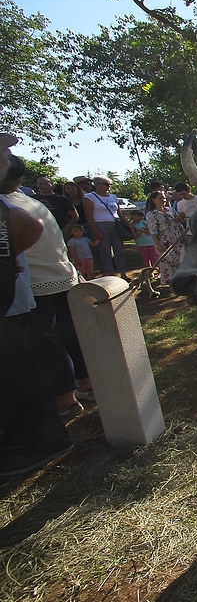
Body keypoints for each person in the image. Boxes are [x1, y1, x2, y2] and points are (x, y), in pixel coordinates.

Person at [2, 149, 94, 419]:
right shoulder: (32, 202)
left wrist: (14, 255)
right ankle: (86, 386)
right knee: (67, 334)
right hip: (60, 277)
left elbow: (31, 231)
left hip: (37, 284)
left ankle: (65, 400)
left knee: (47, 341)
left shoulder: (9, 206)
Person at [0, 190, 75, 477]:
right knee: (49, 345)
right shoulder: (24, 201)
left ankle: (44, 436)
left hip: (18, 296)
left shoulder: (13, 204)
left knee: (28, 360)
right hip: (39, 285)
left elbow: (29, 226)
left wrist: (8, 258)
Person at [83, 175, 129, 280]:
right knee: (105, 251)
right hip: (100, 225)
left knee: (119, 250)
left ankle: (123, 273)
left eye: (110, 184)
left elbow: (119, 213)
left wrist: (127, 224)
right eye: (106, 184)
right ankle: (110, 274)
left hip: (115, 225)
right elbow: (89, 216)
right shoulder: (90, 197)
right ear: (98, 185)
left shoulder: (113, 197)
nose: (109, 186)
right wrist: (95, 230)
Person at [145, 190, 186, 287]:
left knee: (181, 260)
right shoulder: (151, 214)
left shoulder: (170, 210)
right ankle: (173, 284)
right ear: (153, 200)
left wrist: (181, 217)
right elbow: (153, 231)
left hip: (177, 239)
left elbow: (178, 222)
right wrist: (158, 244)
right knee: (169, 263)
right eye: (160, 198)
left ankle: (183, 281)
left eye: (164, 198)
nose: (163, 200)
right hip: (164, 242)